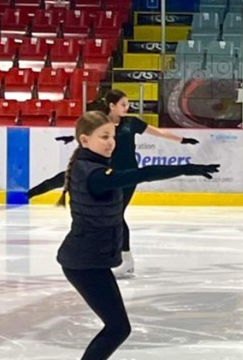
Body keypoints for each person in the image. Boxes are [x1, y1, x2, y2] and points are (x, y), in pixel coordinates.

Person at [51, 111, 220, 360]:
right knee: (117, 327)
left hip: (91, 260)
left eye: (112, 136)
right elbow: (138, 174)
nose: (111, 142)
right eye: (104, 137)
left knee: (117, 327)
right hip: (83, 262)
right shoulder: (92, 172)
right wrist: (186, 168)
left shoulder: (94, 165)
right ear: (84, 140)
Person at [25, 92, 201, 279]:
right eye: (123, 104)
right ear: (111, 105)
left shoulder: (131, 123)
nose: (127, 107)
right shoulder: (101, 123)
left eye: (128, 104)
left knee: (118, 215)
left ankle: (126, 260)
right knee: (63, 179)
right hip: (101, 172)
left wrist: (182, 140)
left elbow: (156, 132)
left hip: (126, 176)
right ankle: (31, 193)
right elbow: (88, 137)